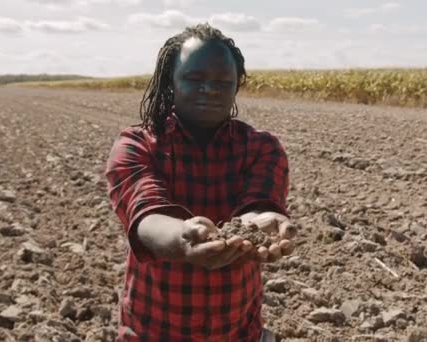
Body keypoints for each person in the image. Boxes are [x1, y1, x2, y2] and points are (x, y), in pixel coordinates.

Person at [105, 23, 297, 341]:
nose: (209, 89)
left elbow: (259, 204)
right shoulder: (137, 146)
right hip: (155, 330)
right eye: (195, 79)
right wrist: (184, 238)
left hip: (237, 331)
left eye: (223, 82)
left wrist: (260, 222)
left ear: (237, 86)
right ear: (171, 82)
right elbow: (145, 214)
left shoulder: (262, 147)